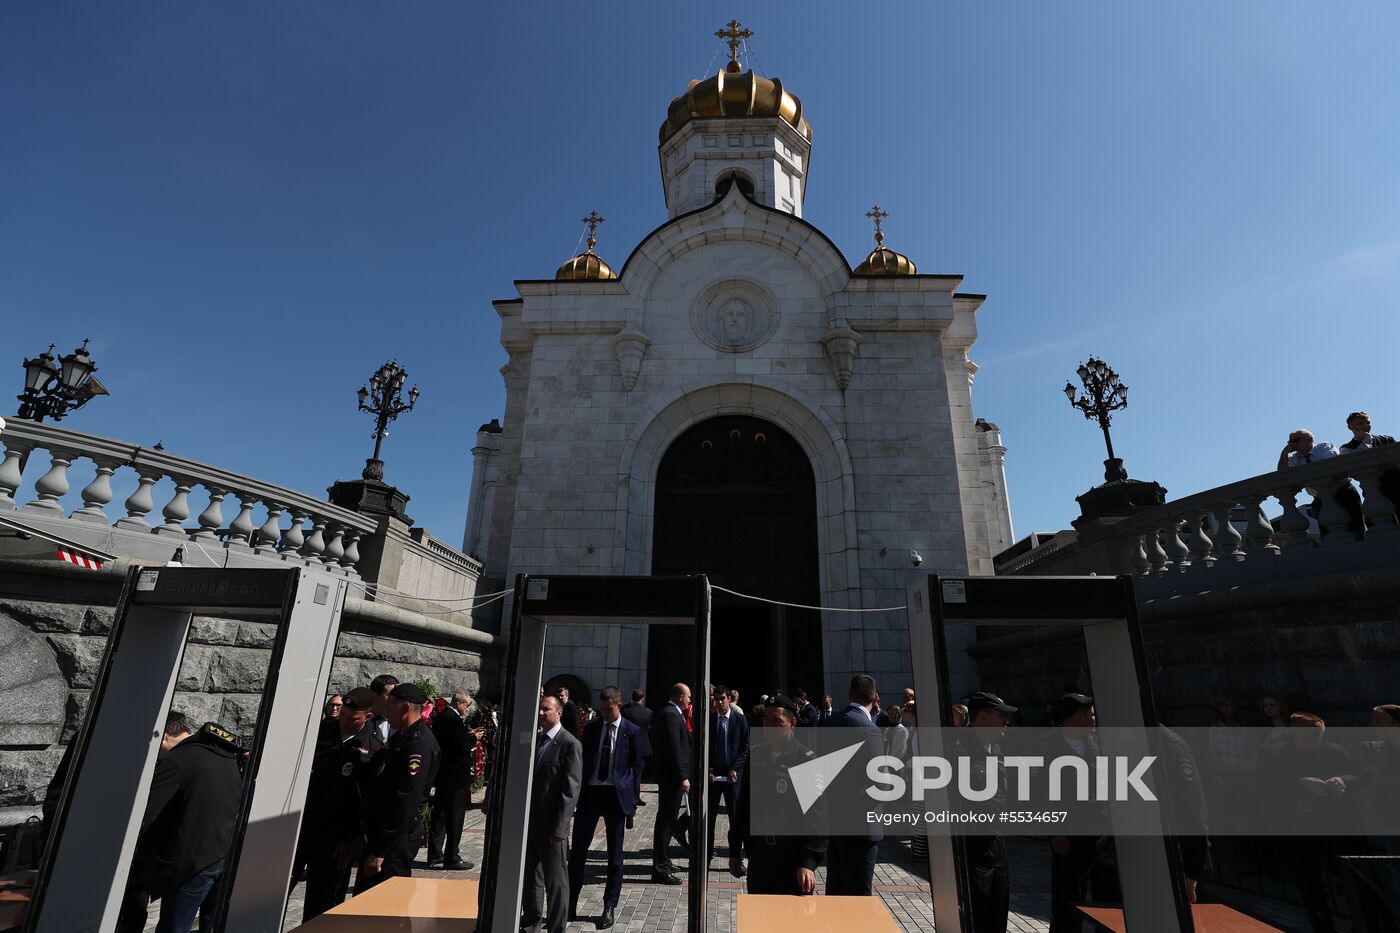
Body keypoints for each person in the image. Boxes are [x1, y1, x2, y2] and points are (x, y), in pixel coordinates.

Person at [119, 712, 243, 933]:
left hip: (191, 865)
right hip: (223, 856)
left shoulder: (177, 761)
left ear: (164, 736)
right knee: (212, 924)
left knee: (174, 928)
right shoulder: (222, 755)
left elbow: (144, 815)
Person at [1260, 712, 1359, 933]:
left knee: (1351, 880)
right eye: (1308, 735)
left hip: (1336, 827)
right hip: (1300, 832)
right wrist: (1298, 786)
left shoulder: (1334, 752)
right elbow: (1268, 791)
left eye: (1318, 735)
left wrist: (1343, 781)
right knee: (1310, 885)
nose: (1315, 739)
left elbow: (1357, 774)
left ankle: (1361, 924)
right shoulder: (1280, 758)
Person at [1037, 693, 1119, 933]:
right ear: (1077, 717)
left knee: (1110, 901)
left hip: (1102, 837)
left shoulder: (1098, 743)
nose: (1094, 718)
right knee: (1068, 903)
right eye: (1090, 714)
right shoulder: (1047, 746)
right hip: (1070, 838)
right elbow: (1040, 795)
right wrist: (1055, 832)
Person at [298, 687, 383, 920]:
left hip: (336, 838)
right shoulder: (323, 731)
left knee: (324, 903)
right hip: (303, 825)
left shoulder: (373, 749)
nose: (343, 721)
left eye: (351, 718)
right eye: (342, 715)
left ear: (367, 717)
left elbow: (366, 800)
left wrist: (353, 838)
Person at [733, 695, 826, 895]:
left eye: (777, 720)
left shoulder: (806, 760)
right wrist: (734, 850)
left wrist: (808, 862)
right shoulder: (756, 756)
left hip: (792, 861)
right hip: (760, 859)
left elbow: (817, 817)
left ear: (792, 723)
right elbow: (743, 806)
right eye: (766, 719)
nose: (770, 725)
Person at [567, 686, 643, 930]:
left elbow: (636, 768)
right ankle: (570, 903)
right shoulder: (592, 728)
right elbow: (584, 760)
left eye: (608, 709)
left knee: (615, 856)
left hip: (615, 796)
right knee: (578, 851)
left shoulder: (631, 731)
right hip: (591, 794)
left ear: (618, 705)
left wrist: (631, 799)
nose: (604, 714)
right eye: (601, 709)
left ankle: (609, 906)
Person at [357, 682, 440, 892]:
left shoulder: (418, 744)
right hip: (382, 834)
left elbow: (407, 799)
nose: (386, 712)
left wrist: (380, 850)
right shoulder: (403, 736)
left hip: (394, 841)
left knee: (385, 904)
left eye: (390, 706)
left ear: (404, 709)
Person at [955, 692, 1015, 933]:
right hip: (972, 849)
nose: (1006, 722)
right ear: (982, 717)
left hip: (997, 846)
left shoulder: (997, 749)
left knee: (998, 914)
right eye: (1001, 716)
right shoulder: (958, 750)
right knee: (977, 917)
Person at [522, 695, 581, 933]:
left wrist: (560, 828)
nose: (541, 713)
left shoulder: (570, 744)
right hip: (532, 822)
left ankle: (556, 927)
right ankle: (531, 923)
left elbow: (570, 790)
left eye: (546, 709)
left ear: (559, 713)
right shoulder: (535, 740)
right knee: (531, 877)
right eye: (540, 709)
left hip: (553, 826)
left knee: (556, 882)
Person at [820, 674, 883, 896]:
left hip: (835, 822)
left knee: (836, 890)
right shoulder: (870, 729)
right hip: (861, 827)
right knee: (858, 895)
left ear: (849, 695)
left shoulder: (829, 723)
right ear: (876, 697)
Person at [428, 689, 481, 871]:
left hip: (443, 775)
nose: (468, 708)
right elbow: (461, 746)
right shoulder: (452, 718)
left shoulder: (443, 717)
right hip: (455, 778)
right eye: (467, 705)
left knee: (440, 815)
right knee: (455, 818)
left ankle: (435, 854)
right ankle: (452, 857)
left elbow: (451, 742)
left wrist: (467, 734)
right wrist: (474, 738)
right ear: (459, 702)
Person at [1279, 428, 1363, 536]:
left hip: (1343, 493)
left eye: (1296, 440)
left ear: (1308, 439)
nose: (1292, 445)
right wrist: (1284, 453)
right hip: (1320, 498)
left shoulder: (1323, 447)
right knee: (1328, 535)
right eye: (1290, 442)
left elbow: (1330, 466)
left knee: (1356, 529)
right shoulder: (1294, 459)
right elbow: (1282, 474)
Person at [706, 684, 750, 877]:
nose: (719, 702)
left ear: (729, 699)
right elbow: (704, 746)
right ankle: (705, 859)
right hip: (714, 777)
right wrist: (708, 768)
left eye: (722, 699)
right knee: (709, 819)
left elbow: (746, 748)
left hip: (733, 777)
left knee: (735, 819)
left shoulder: (739, 720)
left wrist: (735, 768)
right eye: (716, 699)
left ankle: (736, 857)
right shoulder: (709, 721)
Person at [651, 683, 692, 884]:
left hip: (672, 777)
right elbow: (674, 749)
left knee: (668, 820)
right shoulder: (670, 714)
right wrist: (682, 776)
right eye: (688, 697)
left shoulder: (673, 713)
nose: (690, 701)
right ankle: (660, 867)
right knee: (666, 822)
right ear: (680, 696)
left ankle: (664, 861)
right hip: (671, 778)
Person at [1339, 411, 1400, 519]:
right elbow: (1360, 462)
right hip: (1374, 488)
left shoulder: (1386, 439)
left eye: (1368, 423)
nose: (1366, 426)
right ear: (1350, 426)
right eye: (1361, 424)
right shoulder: (1347, 448)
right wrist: (1367, 440)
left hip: (1396, 484)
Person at [620, 688, 653, 819]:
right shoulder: (648, 712)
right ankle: (636, 797)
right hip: (643, 746)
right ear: (642, 698)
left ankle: (628, 795)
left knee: (626, 772)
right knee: (638, 774)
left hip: (627, 745)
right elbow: (649, 727)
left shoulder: (625, 710)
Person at [368, 673, 399, 743]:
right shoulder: (361, 718)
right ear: (375, 695)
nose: (396, 698)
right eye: (391, 694)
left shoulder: (399, 722)